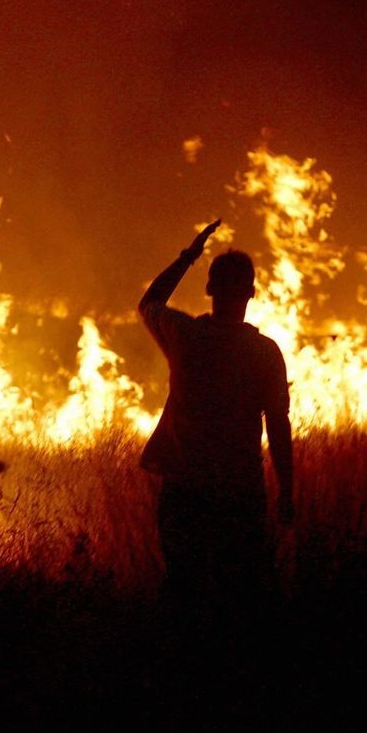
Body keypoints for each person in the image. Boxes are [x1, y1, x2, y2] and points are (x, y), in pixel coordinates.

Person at [138, 219, 294, 629]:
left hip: (185, 488)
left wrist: (189, 256)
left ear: (209, 290)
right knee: (242, 595)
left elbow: (149, 301)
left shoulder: (185, 336)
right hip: (239, 490)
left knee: (182, 589)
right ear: (252, 293)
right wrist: (287, 492)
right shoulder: (264, 353)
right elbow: (278, 425)